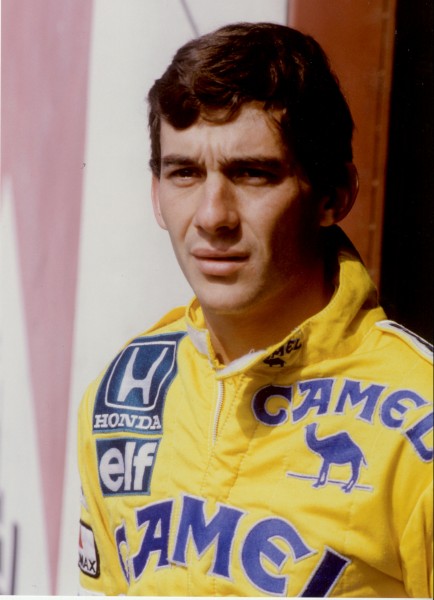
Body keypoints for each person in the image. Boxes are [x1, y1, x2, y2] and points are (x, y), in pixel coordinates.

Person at [77, 22, 433, 597]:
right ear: (156, 194)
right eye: (185, 173)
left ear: (334, 196)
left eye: (252, 174)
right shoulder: (123, 395)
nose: (212, 216)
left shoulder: (421, 414)